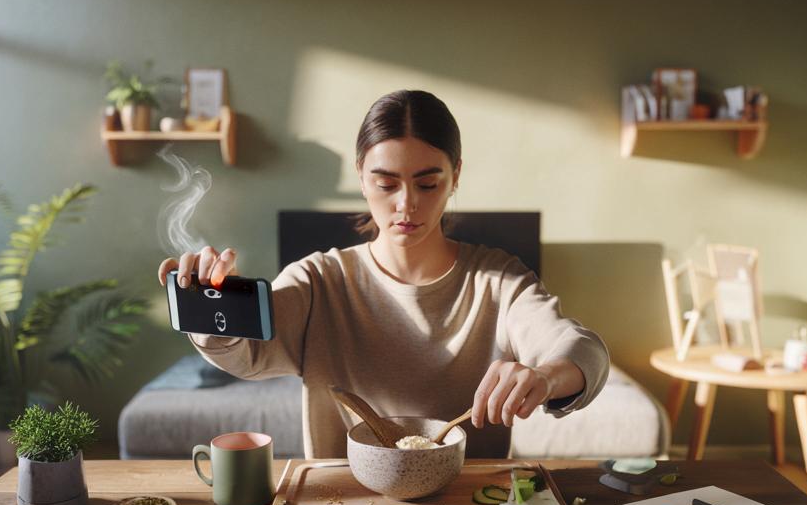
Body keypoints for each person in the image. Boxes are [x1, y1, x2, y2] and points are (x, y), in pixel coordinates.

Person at [157, 90, 609, 458]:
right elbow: (246, 353)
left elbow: (581, 349)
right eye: (386, 183)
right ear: (360, 176)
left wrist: (546, 377)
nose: (406, 204)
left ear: (456, 177)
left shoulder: (498, 280)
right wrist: (208, 308)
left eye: (428, 183)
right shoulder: (319, 280)